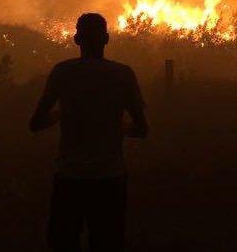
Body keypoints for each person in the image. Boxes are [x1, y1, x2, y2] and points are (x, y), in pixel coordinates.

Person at [30, 13, 148, 252]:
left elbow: (36, 123)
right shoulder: (122, 74)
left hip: (69, 177)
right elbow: (142, 129)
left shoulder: (62, 72)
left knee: (63, 243)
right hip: (109, 178)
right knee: (107, 242)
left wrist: (63, 113)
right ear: (106, 39)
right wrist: (118, 127)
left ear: (76, 39)